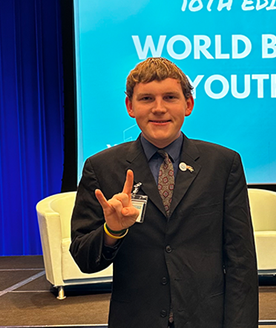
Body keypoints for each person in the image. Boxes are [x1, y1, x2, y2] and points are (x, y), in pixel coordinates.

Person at [70, 57, 259, 328]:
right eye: (146, 98)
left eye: (170, 97)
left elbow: (241, 261)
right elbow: (84, 258)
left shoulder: (223, 164)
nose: (159, 109)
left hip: (207, 319)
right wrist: (112, 232)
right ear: (130, 106)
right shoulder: (100, 168)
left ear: (188, 104)